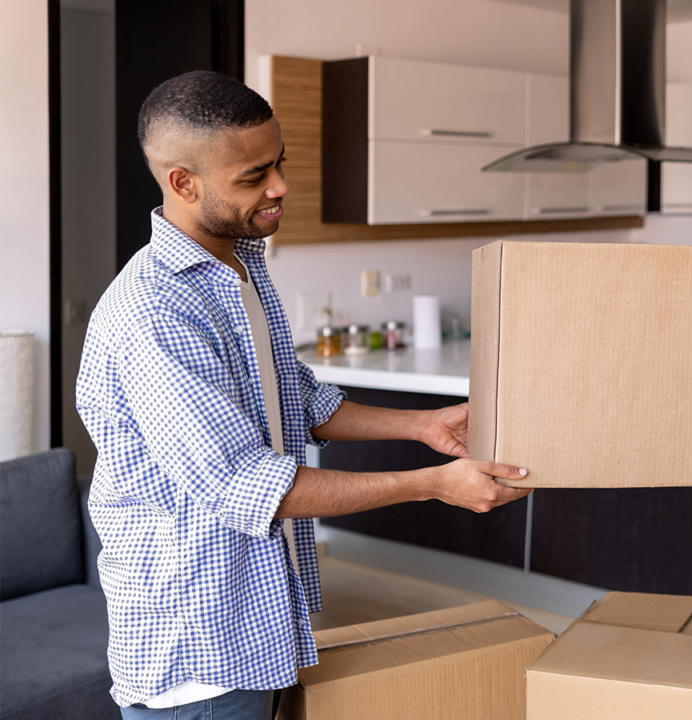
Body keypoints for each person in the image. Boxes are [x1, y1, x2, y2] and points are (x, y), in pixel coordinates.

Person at [76, 70, 530, 719]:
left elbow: (300, 401)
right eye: (254, 175)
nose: (281, 186)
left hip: (257, 621)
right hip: (198, 650)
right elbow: (245, 483)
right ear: (183, 183)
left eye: (279, 163)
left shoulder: (239, 266)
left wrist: (423, 425)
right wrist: (434, 483)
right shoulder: (152, 314)